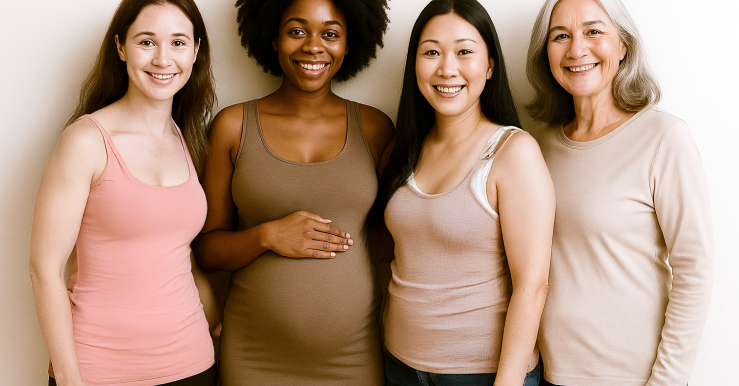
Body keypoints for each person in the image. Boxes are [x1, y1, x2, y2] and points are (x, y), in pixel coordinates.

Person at [191, 0, 392, 384]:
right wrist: (268, 235)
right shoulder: (233, 126)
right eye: (296, 31)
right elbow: (207, 249)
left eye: (330, 34)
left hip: (353, 358)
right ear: (272, 37)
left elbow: (391, 243)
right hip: (254, 357)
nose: (313, 47)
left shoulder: (375, 128)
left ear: (350, 44)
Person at [28, 0, 219, 385]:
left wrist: (217, 320)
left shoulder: (188, 137)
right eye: (146, 42)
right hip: (100, 370)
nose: (163, 59)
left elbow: (180, 255)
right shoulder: (85, 141)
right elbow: (44, 269)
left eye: (178, 42)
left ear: (196, 51)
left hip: (194, 364)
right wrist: (69, 378)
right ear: (120, 47)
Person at [525, 0, 714, 385]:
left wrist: (666, 381)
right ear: (546, 53)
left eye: (594, 31)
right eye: (561, 36)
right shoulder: (535, 147)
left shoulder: (663, 139)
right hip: (545, 374)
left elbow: (695, 268)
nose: (577, 49)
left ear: (624, 45)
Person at [371, 0, 555, 385]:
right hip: (399, 365)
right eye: (431, 52)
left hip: (479, 374)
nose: (446, 68)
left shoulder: (512, 152)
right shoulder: (403, 149)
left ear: (489, 66)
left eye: (464, 52)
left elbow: (532, 286)